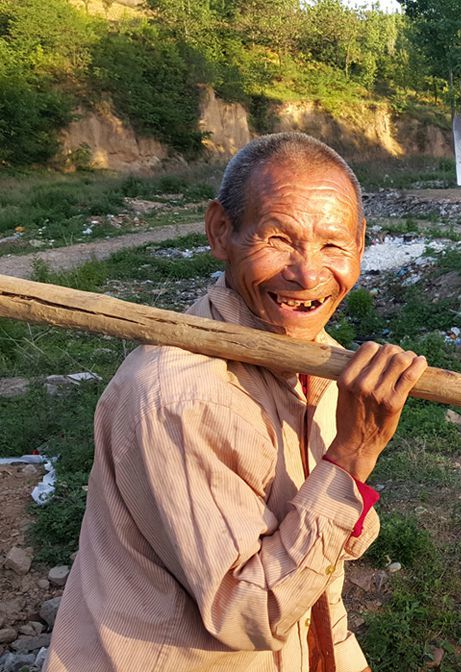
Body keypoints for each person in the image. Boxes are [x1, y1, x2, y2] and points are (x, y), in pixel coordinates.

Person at [45, 132, 428, 672]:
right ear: (221, 232)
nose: (309, 274)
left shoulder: (325, 364)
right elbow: (250, 611)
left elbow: (328, 554)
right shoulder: (180, 396)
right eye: (279, 239)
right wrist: (354, 455)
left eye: (334, 245)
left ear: (362, 245)